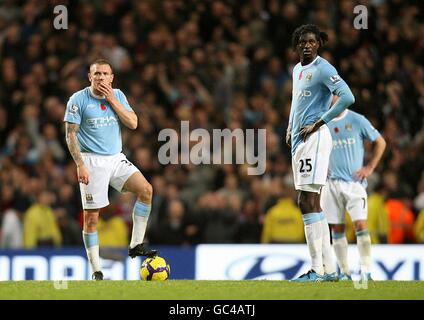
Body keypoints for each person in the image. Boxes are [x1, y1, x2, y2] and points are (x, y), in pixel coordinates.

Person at [64, 59, 157, 281]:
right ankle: (96, 269)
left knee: (146, 190)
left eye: (105, 74)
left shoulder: (118, 95)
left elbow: (133, 123)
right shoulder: (78, 100)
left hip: (116, 158)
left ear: (111, 77)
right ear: (89, 77)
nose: (101, 78)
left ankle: (135, 245)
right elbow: (70, 134)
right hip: (91, 162)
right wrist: (80, 164)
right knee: (92, 219)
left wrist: (112, 99)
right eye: (96, 74)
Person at [286, 25, 355, 282]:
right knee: (311, 200)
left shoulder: (324, 68)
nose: (307, 45)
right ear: (296, 45)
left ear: (319, 44)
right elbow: (297, 101)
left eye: (312, 42)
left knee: (306, 199)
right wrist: (290, 126)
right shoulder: (297, 69)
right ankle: (328, 269)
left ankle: (318, 269)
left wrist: (320, 122)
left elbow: (348, 97)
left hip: (314, 138)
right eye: (302, 42)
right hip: (300, 139)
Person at [321, 109, 386, 281]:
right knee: (337, 228)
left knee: (360, 224)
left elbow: (381, 142)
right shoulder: (323, 121)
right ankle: (344, 272)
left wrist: (370, 167)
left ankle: (366, 272)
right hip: (332, 184)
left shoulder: (357, 119)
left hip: (354, 184)